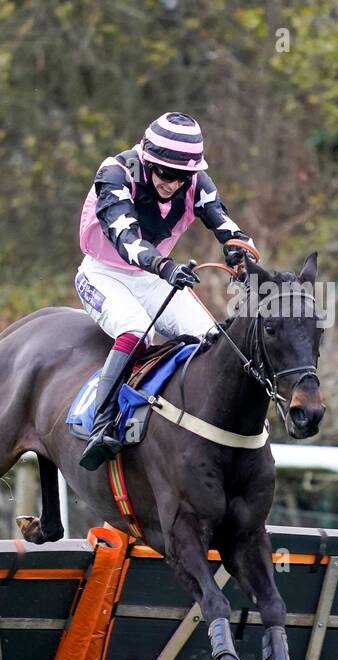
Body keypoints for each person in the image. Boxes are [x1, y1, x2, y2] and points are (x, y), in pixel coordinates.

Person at [75, 111, 258, 470]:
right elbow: (126, 239)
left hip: (154, 276)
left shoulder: (197, 183)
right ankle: (101, 422)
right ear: (146, 159)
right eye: (164, 173)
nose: (172, 184)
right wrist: (164, 266)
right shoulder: (115, 174)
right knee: (135, 331)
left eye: (182, 177)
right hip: (103, 274)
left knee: (210, 339)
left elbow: (227, 225)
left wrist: (240, 251)